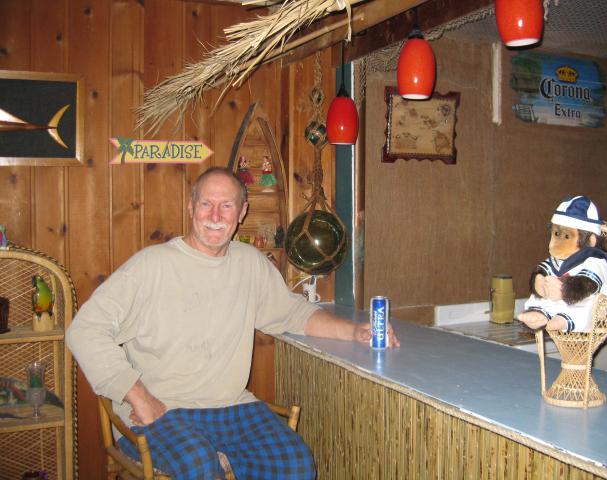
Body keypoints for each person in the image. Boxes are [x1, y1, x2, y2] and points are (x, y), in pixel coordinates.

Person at [66, 167, 399, 479]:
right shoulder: (150, 266)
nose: (215, 216)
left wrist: (355, 331)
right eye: (206, 204)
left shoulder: (250, 263)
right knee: (197, 463)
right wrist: (138, 395)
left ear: (242, 213)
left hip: (231, 407)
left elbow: (294, 313)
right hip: (162, 408)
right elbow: (85, 330)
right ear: (190, 207)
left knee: (296, 464)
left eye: (226, 206)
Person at [517, 196, 607, 333]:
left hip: (587, 299)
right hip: (559, 298)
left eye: (566, 236)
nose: (556, 242)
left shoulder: (595, 260)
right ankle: (540, 314)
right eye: (556, 234)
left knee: (588, 305)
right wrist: (539, 281)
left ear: (590, 240)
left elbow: (586, 285)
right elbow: (543, 269)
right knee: (540, 298)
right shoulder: (559, 258)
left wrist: (563, 291)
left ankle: (564, 320)